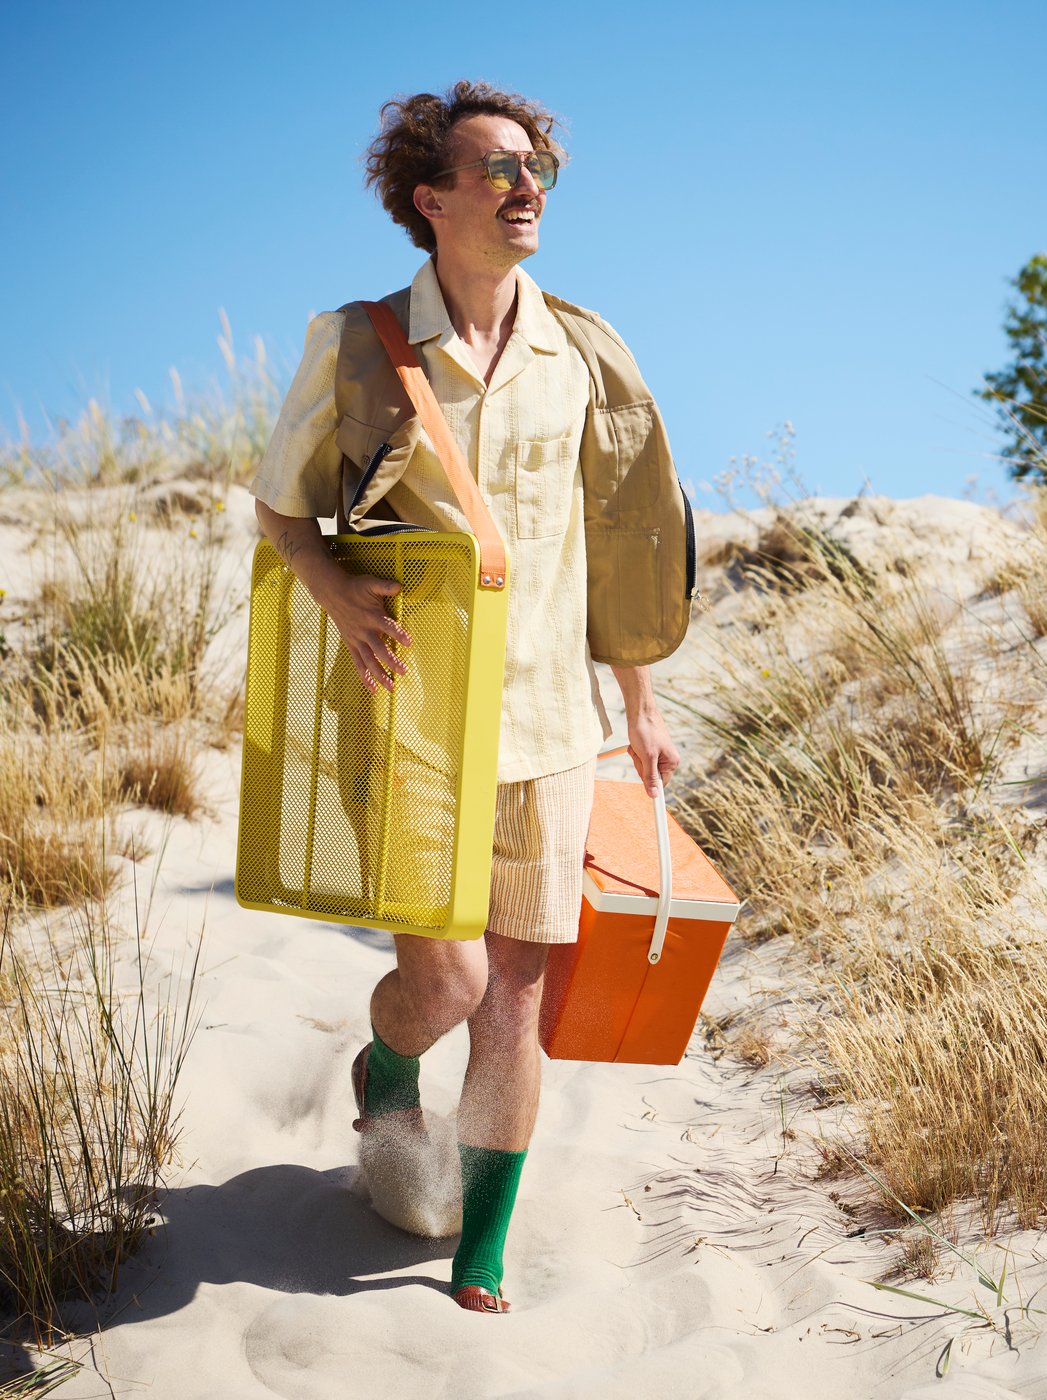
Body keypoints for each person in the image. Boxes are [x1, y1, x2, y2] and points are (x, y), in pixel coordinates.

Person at [249, 80, 690, 1315]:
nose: (525, 183)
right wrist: (335, 594)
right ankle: (387, 1064)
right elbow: (281, 503)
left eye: (535, 163)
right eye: (496, 168)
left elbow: (621, 538)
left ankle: (478, 1240)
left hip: (554, 724)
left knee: (518, 1000)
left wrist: (638, 699)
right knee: (444, 984)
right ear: (430, 200)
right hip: (409, 718)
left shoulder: (585, 351)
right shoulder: (355, 343)